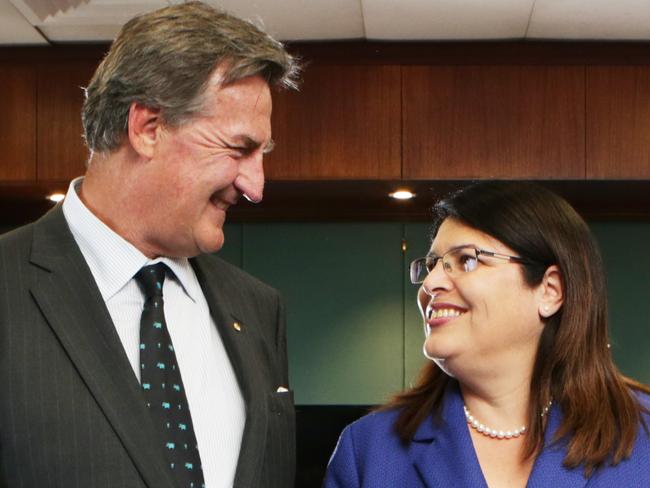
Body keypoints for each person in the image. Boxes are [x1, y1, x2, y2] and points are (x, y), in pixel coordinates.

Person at [0, 2, 299, 487]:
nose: (256, 186)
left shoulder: (260, 309)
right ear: (148, 128)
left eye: (261, 155)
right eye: (239, 148)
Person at [324, 181, 650, 487]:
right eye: (433, 264)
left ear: (549, 291)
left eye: (466, 260)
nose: (430, 283)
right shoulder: (369, 451)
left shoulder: (643, 436)